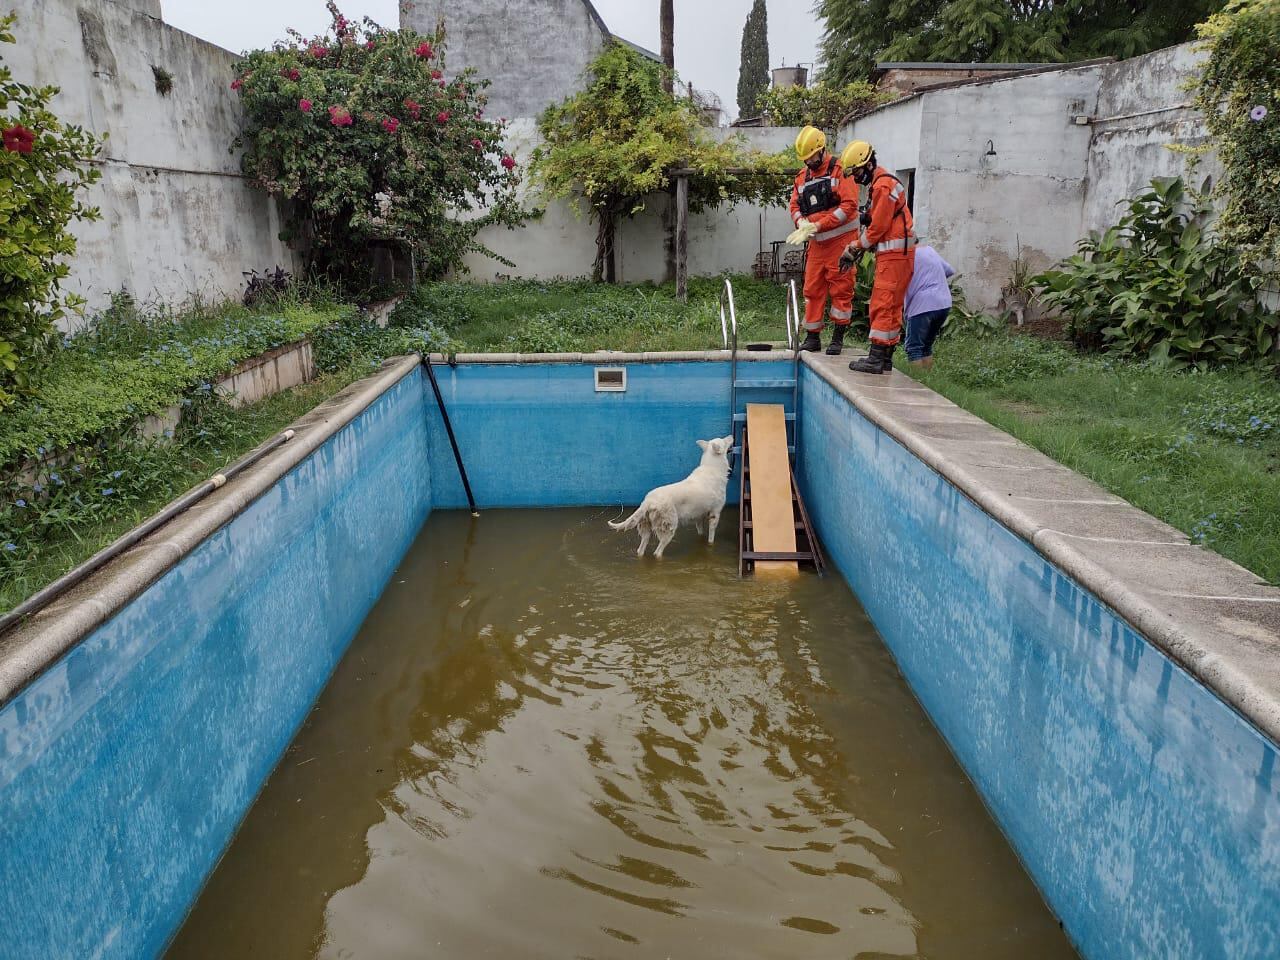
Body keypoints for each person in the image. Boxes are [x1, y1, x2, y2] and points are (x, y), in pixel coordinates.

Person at [837, 140, 915, 374]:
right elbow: (874, 218)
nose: (856, 177)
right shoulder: (882, 183)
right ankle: (885, 357)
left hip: (893, 256)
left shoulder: (881, 187)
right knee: (892, 305)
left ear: (869, 164)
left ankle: (874, 359)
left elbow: (877, 228)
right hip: (900, 255)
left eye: (857, 171)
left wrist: (853, 248)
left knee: (882, 304)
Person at [787, 126, 860, 355]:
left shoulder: (840, 171)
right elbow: (794, 205)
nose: (808, 162)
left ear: (821, 150)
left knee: (842, 290)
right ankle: (812, 337)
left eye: (811, 157)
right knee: (812, 290)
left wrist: (819, 224)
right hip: (817, 246)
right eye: (805, 159)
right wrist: (800, 223)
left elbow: (849, 207)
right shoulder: (802, 177)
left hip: (841, 244)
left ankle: (837, 339)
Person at [902, 245, 955, 367]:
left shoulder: (904, 256)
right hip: (943, 303)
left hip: (922, 305)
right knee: (926, 346)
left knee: (914, 349)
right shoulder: (929, 250)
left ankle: (915, 382)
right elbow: (949, 270)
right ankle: (925, 380)